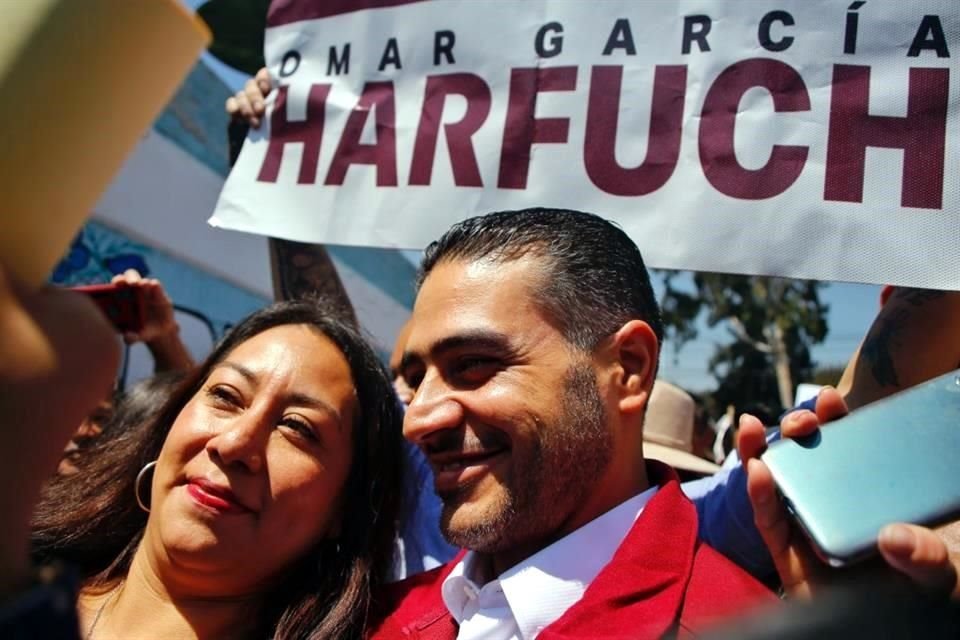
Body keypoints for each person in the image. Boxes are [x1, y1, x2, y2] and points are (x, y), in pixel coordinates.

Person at [371, 208, 777, 638]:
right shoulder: (374, 619)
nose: (417, 420)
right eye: (417, 379)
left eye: (472, 364)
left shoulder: (734, 623)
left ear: (627, 367)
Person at [5, 282, 404, 639]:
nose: (233, 444)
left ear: (344, 510)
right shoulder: (28, 569)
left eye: (297, 427)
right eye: (226, 396)